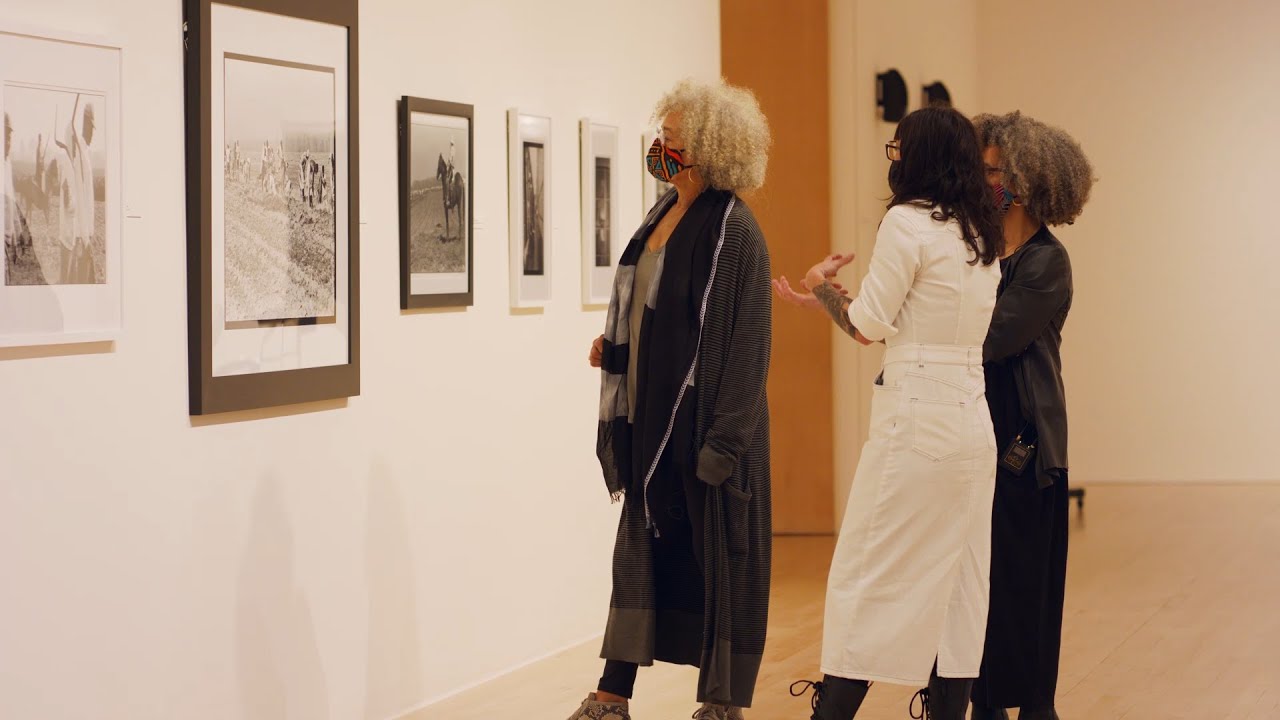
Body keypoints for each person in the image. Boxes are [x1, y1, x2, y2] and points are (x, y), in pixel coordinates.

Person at [775, 106, 1004, 720]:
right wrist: (825, 301)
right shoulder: (980, 233)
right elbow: (912, 316)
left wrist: (821, 287)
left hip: (917, 416)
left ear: (920, 156)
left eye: (897, 148)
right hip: (971, 416)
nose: (893, 158)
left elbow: (869, 327)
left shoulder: (906, 223)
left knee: (869, 572)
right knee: (961, 580)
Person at [570, 79, 773, 720]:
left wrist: (724, 445)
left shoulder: (736, 232)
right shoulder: (660, 216)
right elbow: (653, 318)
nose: (661, 147)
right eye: (663, 135)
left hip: (706, 435)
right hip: (651, 427)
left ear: (711, 153)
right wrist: (618, 352)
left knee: (720, 569)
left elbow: (748, 346)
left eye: (674, 141)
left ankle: (720, 706)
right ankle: (611, 698)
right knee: (637, 562)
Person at [967, 111, 1093, 720]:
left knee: (1024, 591)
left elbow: (992, 337)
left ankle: (1034, 709)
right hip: (971, 435)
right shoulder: (976, 248)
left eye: (993, 171)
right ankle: (983, 704)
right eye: (981, 169)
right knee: (975, 590)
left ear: (1026, 179)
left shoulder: (1046, 261)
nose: (983, 181)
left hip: (1025, 444)